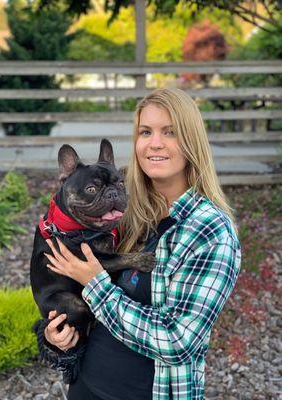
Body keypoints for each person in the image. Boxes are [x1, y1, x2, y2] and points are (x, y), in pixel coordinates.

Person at [41, 88, 241, 400]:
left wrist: (95, 284)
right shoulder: (123, 213)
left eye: (170, 132)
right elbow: (86, 305)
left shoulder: (210, 230)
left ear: (192, 142)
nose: (155, 143)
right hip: (85, 386)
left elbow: (178, 341)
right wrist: (63, 338)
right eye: (145, 131)